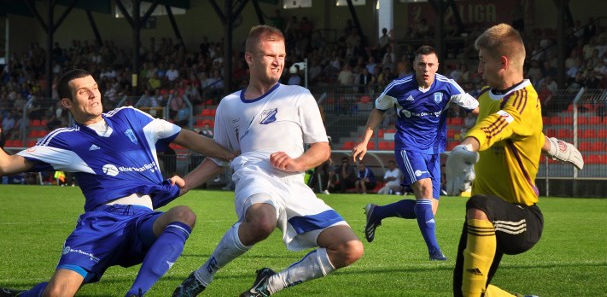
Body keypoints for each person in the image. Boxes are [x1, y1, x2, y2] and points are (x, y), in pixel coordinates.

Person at [0, 69, 234, 297]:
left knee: (183, 214)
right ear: (67, 103)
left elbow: (183, 135)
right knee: (57, 293)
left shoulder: (130, 117)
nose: (93, 95)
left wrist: (228, 154)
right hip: (102, 224)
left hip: (142, 220)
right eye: (83, 92)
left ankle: (136, 293)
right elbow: (7, 165)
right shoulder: (65, 139)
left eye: (95, 88)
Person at [172, 25, 363, 297]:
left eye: (282, 56)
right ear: (250, 58)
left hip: (294, 184)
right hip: (255, 173)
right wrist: (185, 184)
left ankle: (271, 284)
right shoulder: (229, 105)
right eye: (270, 55)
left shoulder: (298, 95)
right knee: (262, 221)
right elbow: (220, 156)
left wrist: (297, 163)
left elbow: (322, 148)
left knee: (350, 248)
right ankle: (202, 275)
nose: (278, 62)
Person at [447, 23, 583, 296]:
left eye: (482, 61)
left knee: (478, 203)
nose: (478, 69)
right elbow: (525, 132)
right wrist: (552, 146)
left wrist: (466, 146)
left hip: (521, 216)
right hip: (485, 216)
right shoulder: (487, 96)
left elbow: (501, 124)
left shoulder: (524, 98)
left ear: (503, 62)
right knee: (467, 294)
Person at [352, 45, 479, 261]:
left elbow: (477, 109)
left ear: (437, 66)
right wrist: (364, 142)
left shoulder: (448, 86)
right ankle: (435, 252)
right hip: (408, 146)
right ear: (414, 66)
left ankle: (378, 212)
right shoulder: (398, 87)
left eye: (430, 64)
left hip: (434, 151)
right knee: (424, 189)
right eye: (421, 64)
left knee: (428, 209)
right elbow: (378, 110)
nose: (426, 69)